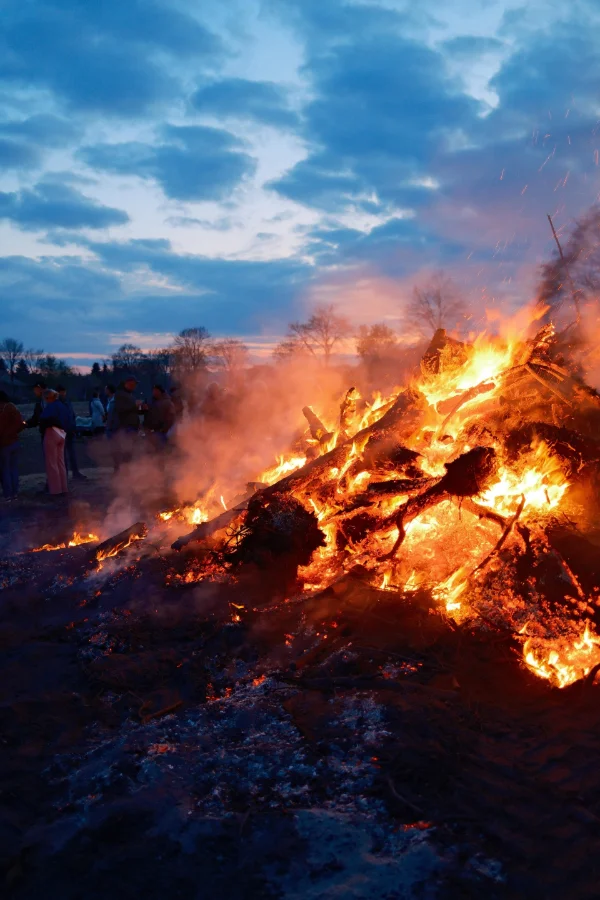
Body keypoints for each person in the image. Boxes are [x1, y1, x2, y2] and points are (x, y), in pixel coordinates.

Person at [39, 389, 70, 496]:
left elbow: (43, 419)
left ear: (49, 397)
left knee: (51, 463)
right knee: (60, 462)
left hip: (52, 433)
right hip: (62, 434)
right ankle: (63, 488)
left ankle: (55, 490)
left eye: (46, 398)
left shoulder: (51, 407)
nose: (45, 400)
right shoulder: (62, 406)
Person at [57, 384, 87, 481]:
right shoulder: (57, 403)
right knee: (63, 455)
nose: (63, 393)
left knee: (72, 453)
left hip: (70, 430)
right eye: (61, 392)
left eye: (64, 392)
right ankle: (64, 474)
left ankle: (75, 472)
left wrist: (74, 427)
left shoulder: (68, 402)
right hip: (62, 432)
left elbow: (72, 415)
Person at [0, 390, 26, 501]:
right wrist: (15, 432)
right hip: (14, 442)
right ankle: (15, 493)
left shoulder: (1, 409)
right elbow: (21, 424)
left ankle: (8, 494)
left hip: (3, 443)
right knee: (13, 468)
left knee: (4, 469)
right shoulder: (12, 407)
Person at [112, 374, 141, 470]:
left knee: (129, 452)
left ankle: (126, 472)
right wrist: (135, 406)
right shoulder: (120, 394)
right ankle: (122, 473)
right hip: (125, 427)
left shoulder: (129, 394)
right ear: (127, 383)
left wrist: (141, 409)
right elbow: (120, 409)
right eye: (133, 384)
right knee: (125, 451)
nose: (135, 386)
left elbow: (131, 409)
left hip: (131, 427)